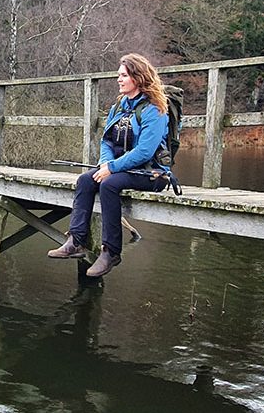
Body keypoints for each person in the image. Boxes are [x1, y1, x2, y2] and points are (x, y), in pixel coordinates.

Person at [47, 53, 171, 277]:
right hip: (120, 167)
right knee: (86, 179)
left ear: (138, 77)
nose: (119, 80)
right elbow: (107, 140)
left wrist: (111, 168)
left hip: (151, 173)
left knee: (109, 184)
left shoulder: (155, 109)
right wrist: (105, 163)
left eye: (123, 75)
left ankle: (111, 251)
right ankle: (76, 241)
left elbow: (145, 151)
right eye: (118, 75)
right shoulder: (119, 106)